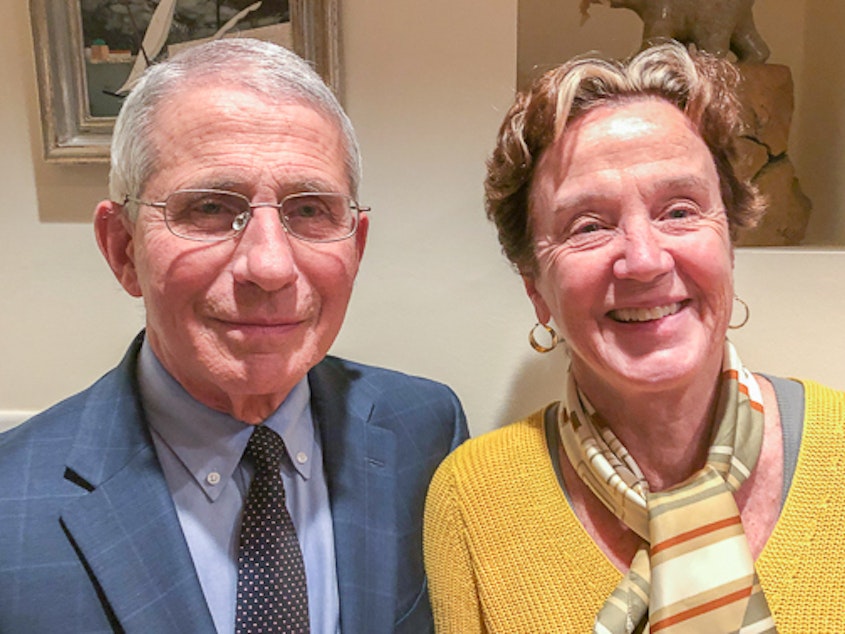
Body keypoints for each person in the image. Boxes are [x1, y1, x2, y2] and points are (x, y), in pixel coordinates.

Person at [0, 38, 468, 633]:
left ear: (357, 245)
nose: (269, 267)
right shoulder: (9, 509)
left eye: (309, 210)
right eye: (210, 208)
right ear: (123, 249)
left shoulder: (425, 431)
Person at [424, 41, 845, 633]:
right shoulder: (473, 500)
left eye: (679, 211)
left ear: (728, 241)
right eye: (588, 226)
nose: (644, 261)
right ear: (536, 288)